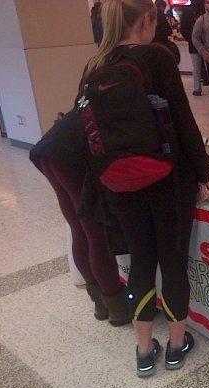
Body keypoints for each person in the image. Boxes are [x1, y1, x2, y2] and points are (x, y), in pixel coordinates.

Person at [87, 0, 209, 376]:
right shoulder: (158, 59)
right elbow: (182, 120)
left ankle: (144, 351)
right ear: (147, 19)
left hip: (121, 182)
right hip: (168, 178)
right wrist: (204, 173)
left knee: (141, 261)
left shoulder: (96, 65)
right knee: (173, 262)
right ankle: (176, 346)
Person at [29, 110, 131, 327]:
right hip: (69, 155)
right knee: (95, 233)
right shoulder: (126, 96)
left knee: (79, 229)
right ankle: (117, 306)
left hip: (49, 151)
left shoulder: (99, 89)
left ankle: (100, 302)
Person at [179, 0, 207, 96]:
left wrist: (190, 39)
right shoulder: (205, 9)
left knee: (196, 68)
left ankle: (197, 89)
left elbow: (183, 29)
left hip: (193, 44)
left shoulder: (186, 11)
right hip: (206, 44)